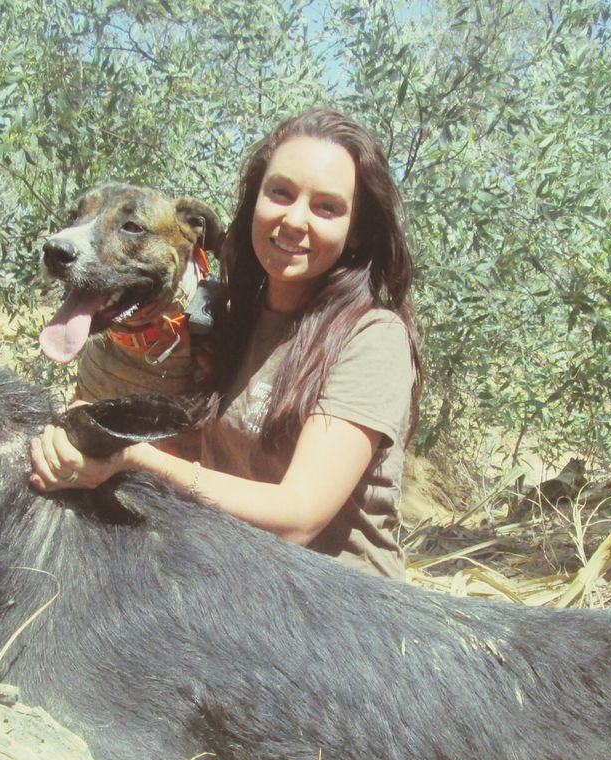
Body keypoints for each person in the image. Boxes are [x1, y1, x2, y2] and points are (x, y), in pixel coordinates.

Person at [29, 107, 422, 578]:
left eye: (327, 207)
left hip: (337, 602)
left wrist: (133, 458)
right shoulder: (225, 319)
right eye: (280, 193)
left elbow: (298, 518)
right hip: (230, 577)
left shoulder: (371, 338)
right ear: (254, 201)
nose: (295, 220)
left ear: (357, 229)